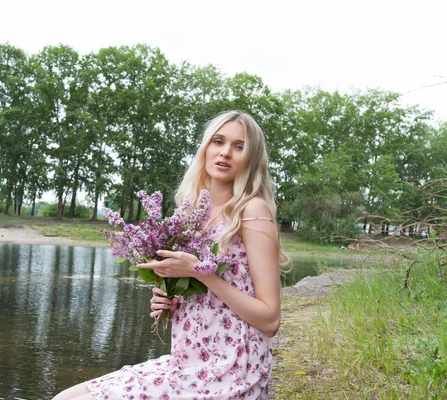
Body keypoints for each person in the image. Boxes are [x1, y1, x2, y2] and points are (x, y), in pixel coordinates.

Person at [53, 110, 289, 400]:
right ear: (205, 148)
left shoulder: (252, 211)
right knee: (65, 397)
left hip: (231, 370)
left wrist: (199, 272)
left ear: (251, 158)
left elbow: (270, 320)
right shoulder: (189, 214)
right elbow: (202, 296)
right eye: (218, 141)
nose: (225, 152)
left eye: (239, 146)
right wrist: (169, 300)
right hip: (187, 363)